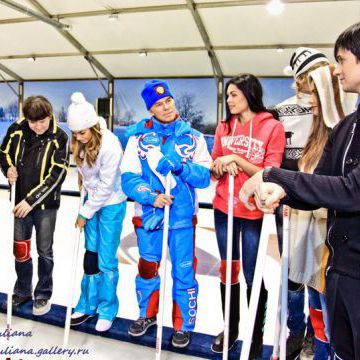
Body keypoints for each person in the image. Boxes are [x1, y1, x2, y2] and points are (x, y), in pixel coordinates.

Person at [240, 22, 360, 360]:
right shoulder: (349, 127)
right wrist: (281, 191)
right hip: (340, 267)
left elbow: (352, 190)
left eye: (343, 59)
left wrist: (272, 174)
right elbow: (320, 183)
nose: (338, 69)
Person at [121, 80, 211, 348]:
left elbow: (205, 176)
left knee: (184, 271)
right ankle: (146, 315)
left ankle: (182, 324)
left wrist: (183, 167)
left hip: (182, 219)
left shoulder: (193, 137)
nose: (166, 106)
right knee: (148, 269)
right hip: (148, 218)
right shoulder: (137, 138)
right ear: (151, 110)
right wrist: (151, 197)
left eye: (168, 100)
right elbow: (127, 178)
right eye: (159, 104)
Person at [210, 74, 285, 357]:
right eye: (227, 95)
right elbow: (213, 166)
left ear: (249, 95)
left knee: (253, 275)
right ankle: (230, 329)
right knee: (228, 270)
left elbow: (271, 172)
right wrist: (220, 166)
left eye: (234, 95)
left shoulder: (271, 127)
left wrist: (237, 160)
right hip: (223, 208)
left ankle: (254, 335)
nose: (228, 100)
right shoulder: (223, 127)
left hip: (253, 212)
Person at [275, 48, 330, 359]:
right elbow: (279, 157)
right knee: (293, 273)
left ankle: (317, 335)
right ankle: (296, 331)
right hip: (294, 204)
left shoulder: (338, 106)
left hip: (327, 204)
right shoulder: (283, 111)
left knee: (319, 278)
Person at [0, 95, 69, 316]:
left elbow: (56, 175)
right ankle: (22, 290)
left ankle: (43, 294)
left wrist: (31, 201)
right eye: (32, 122)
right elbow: (3, 154)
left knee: (44, 251)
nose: (37, 126)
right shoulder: (17, 129)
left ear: (50, 116)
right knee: (21, 249)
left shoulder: (60, 137)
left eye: (42, 121)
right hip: (19, 203)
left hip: (44, 207)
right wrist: (8, 168)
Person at [66, 92, 127, 332]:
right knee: (90, 256)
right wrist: (84, 192)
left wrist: (84, 213)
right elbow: (87, 177)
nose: (78, 138)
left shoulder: (110, 145)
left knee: (106, 258)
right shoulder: (80, 142)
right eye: (75, 134)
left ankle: (107, 308)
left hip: (111, 203)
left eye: (82, 133)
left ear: (92, 127)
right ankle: (87, 305)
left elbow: (106, 186)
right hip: (92, 200)